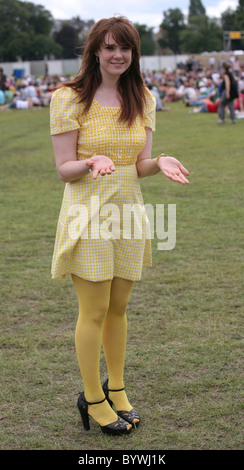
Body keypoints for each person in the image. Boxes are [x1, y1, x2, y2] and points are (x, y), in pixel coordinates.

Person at [50, 16, 189, 436]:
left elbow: (139, 165)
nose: (118, 55)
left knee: (118, 308)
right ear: (95, 50)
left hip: (129, 211)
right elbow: (63, 169)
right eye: (110, 47)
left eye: (125, 48)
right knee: (92, 311)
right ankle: (93, 398)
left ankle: (118, 388)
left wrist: (158, 161)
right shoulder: (69, 97)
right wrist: (90, 161)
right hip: (86, 212)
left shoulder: (142, 97)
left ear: (134, 53)